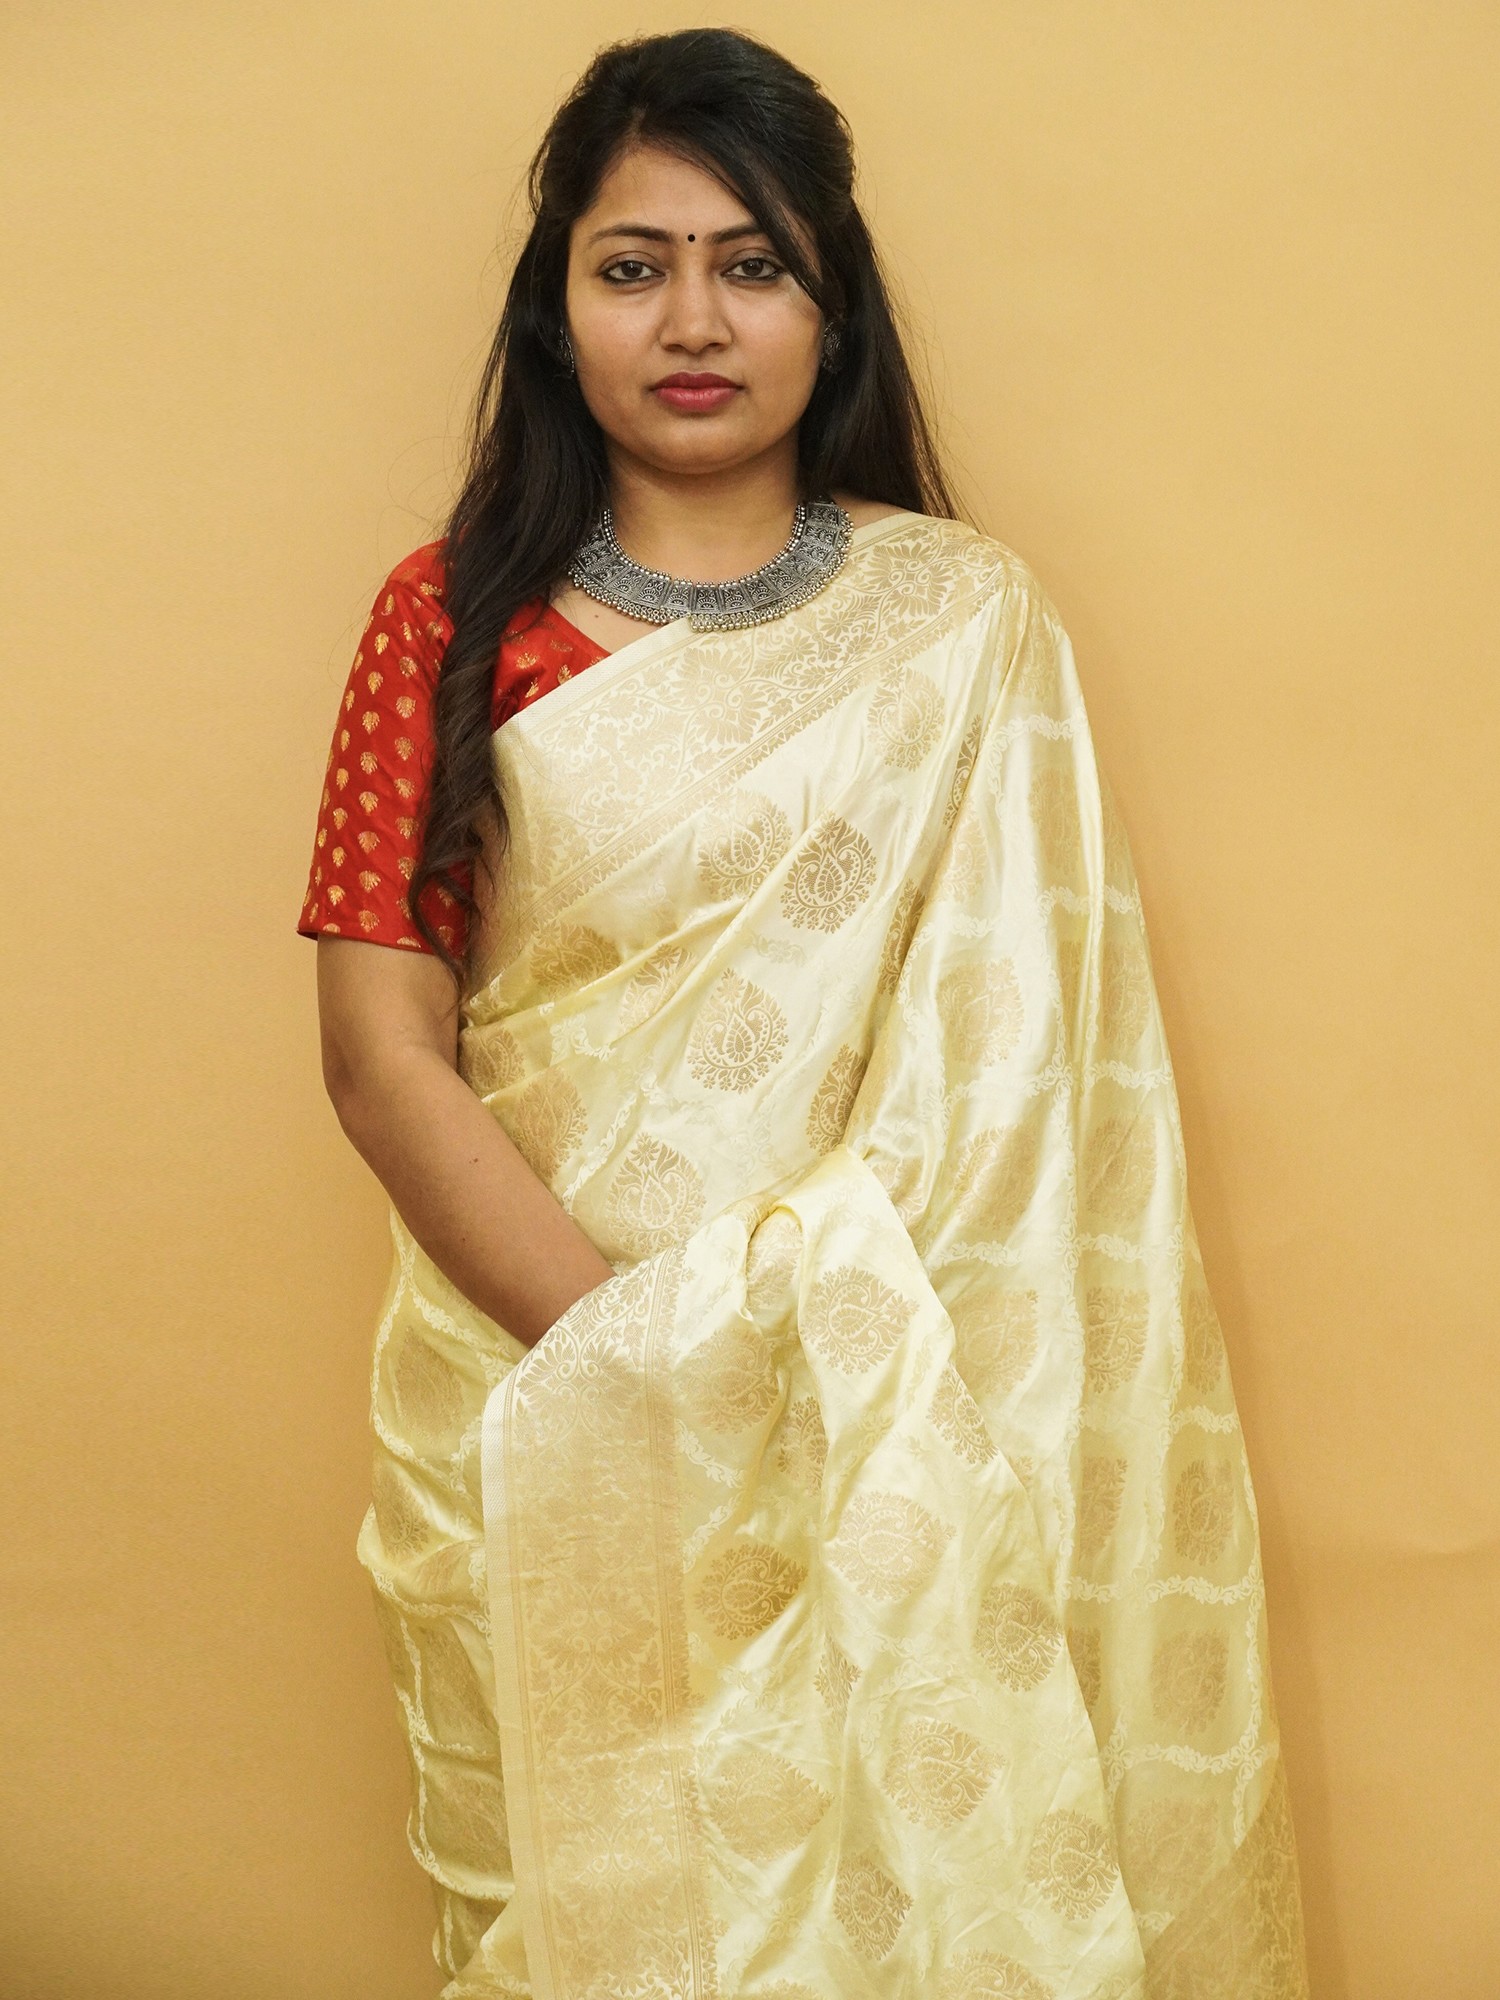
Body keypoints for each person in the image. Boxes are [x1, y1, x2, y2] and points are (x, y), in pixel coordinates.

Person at [300, 27, 1309, 2000]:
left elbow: (1039, 1101)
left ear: (832, 311)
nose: (694, 320)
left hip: (898, 1417)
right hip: (547, 1386)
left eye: (752, 264)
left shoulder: (967, 627)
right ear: (557, 305)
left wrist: (782, 1375)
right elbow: (379, 1053)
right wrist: (638, 1363)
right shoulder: (454, 619)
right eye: (634, 265)